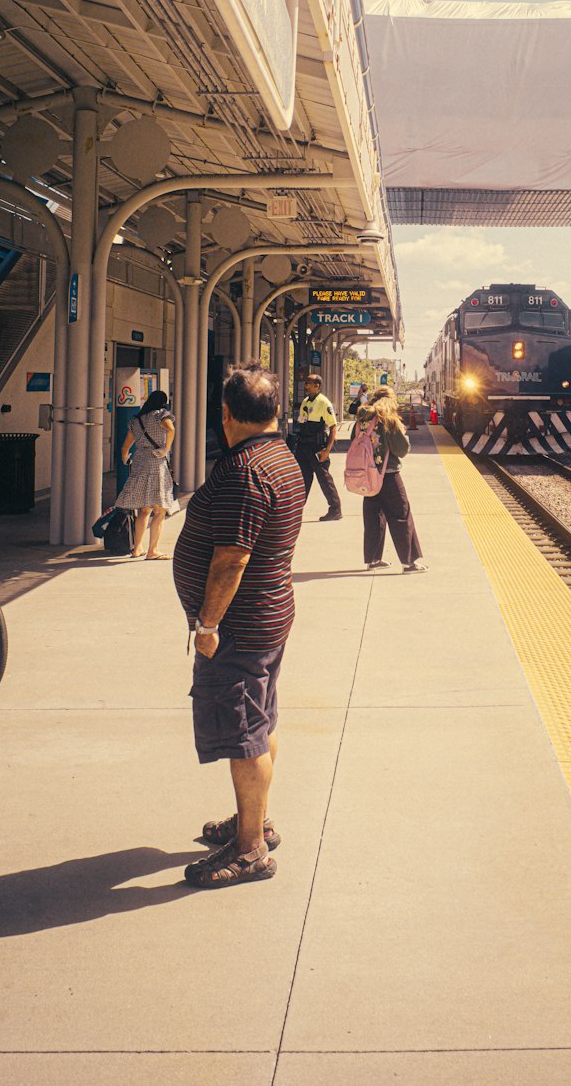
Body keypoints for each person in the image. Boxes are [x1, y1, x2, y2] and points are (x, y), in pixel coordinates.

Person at [173, 363, 305, 888]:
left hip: (240, 626)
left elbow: (231, 558)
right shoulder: (280, 457)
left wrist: (207, 625)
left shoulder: (246, 470)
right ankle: (256, 819)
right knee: (261, 721)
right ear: (274, 411)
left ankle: (250, 848)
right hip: (268, 615)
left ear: (225, 414)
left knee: (245, 733)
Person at [357, 386, 427, 573]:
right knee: (401, 516)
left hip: (368, 475)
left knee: (373, 516)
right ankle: (409, 562)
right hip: (388, 475)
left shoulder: (363, 417)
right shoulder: (389, 419)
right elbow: (401, 450)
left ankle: (373, 559)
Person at [115, 389, 176, 560]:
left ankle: (137, 548)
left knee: (144, 510)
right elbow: (170, 429)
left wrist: (125, 458)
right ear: (163, 403)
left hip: (140, 462)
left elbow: (125, 447)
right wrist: (166, 449)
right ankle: (153, 550)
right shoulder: (160, 415)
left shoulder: (137, 420)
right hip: (156, 463)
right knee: (160, 510)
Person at [293, 374, 342, 521]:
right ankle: (296, 511)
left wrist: (327, 450)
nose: (305, 385)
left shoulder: (323, 402)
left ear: (317, 386)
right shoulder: (306, 402)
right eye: (306, 382)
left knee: (324, 479)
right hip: (303, 447)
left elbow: (333, 427)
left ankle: (335, 509)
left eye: (309, 383)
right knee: (302, 479)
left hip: (317, 447)